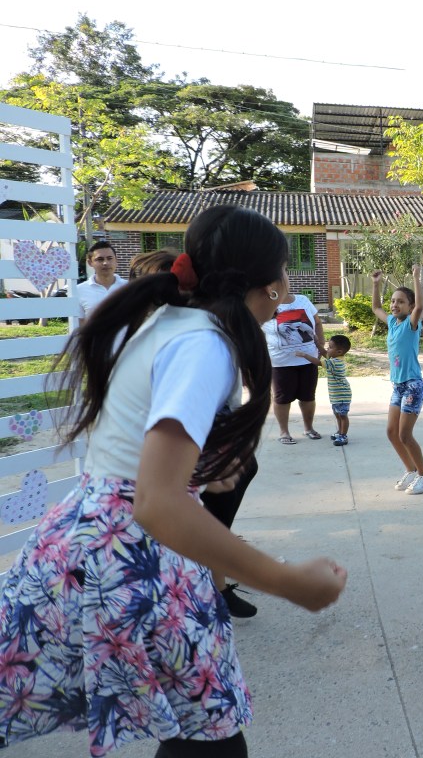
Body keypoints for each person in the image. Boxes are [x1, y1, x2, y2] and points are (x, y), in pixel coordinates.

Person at [0, 205, 347, 757]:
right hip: (129, 553)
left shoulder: (173, 322)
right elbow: (157, 503)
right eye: (284, 268)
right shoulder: (205, 344)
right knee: (211, 739)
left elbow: (142, 450)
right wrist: (287, 581)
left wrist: (204, 468)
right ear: (272, 285)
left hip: (97, 539)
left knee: (201, 734)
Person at [125, 242, 260, 617]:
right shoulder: (158, 338)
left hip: (212, 431)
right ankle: (211, 584)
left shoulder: (195, 329)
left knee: (229, 487)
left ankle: (213, 578)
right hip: (163, 455)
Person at [371, 265, 423, 495]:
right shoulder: (392, 323)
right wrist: (376, 284)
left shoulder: (411, 324)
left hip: (413, 386)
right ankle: (411, 470)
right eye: (393, 301)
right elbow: (376, 307)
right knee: (392, 433)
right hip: (398, 387)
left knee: (404, 435)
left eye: (400, 301)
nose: (395, 305)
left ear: (409, 307)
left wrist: (416, 278)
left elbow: (420, 306)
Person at [262, 288, 325, 444]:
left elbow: (317, 322)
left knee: (308, 396)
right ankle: (284, 432)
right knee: (282, 398)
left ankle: (309, 428)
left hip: (308, 360)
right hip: (280, 363)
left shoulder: (303, 300)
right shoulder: (264, 304)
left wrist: (321, 345)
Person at [296, 334, 353, 446]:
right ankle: (339, 432)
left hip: (342, 395)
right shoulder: (336, 358)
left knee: (343, 416)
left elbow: (318, 362)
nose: (327, 349)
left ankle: (343, 436)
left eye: (330, 347)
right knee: (338, 415)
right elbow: (324, 353)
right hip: (336, 395)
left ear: (339, 351)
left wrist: (304, 355)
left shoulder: (335, 363)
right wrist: (317, 343)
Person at [77, 240, 128, 317]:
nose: (105, 263)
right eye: (100, 259)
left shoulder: (129, 287)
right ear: (90, 263)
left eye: (109, 258)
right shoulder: (79, 290)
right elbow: (80, 321)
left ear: (116, 260)